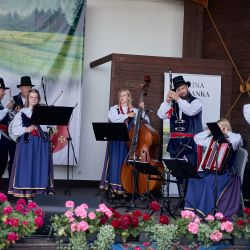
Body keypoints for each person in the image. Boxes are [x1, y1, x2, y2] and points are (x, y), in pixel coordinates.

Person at [184, 118, 243, 218]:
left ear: (225, 128)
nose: (217, 130)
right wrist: (209, 131)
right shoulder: (212, 140)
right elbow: (197, 138)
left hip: (226, 174)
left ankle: (204, 212)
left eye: (219, 128)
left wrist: (227, 132)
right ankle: (192, 210)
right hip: (211, 171)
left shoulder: (233, 140)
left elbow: (238, 139)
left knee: (209, 181)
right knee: (193, 178)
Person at [157, 75, 203, 196]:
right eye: (178, 90)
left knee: (190, 172)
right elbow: (161, 115)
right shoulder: (172, 104)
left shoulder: (196, 102)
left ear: (187, 87)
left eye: (183, 88)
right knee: (178, 173)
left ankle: (190, 201)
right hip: (175, 143)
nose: (181, 91)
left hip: (190, 143)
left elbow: (191, 111)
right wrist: (167, 100)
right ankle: (182, 201)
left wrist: (178, 99)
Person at [100, 88, 150, 195]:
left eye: (124, 95)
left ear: (128, 97)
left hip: (129, 142)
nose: (122, 98)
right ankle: (113, 189)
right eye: (120, 96)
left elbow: (146, 122)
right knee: (114, 163)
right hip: (116, 140)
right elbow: (113, 119)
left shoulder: (135, 111)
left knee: (125, 164)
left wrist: (142, 111)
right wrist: (127, 115)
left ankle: (125, 189)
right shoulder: (114, 109)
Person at [8, 89, 54, 199]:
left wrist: (47, 122)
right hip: (27, 144)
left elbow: (49, 128)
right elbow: (14, 130)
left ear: (38, 99)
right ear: (28, 99)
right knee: (27, 167)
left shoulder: (43, 112)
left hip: (41, 144)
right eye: (31, 97)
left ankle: (40, 194)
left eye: (36, 97)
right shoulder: (22, 112)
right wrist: (26, 129)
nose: (33, 99)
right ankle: (27, 195)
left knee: (40, 166)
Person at [8, 76, 35, 178]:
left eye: (29, 87)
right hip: (17, 134)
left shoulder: (33, 100)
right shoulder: (14, 99)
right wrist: (16, 112)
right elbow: (7, 115)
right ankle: (12, 183)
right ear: (20, 88)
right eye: (25, 87)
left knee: (28, 159)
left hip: (30, 134)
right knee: (14, 158)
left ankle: (25, 182)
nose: (27, 89)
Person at [0, 78, 14, 188]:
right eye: (2, 90)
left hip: (3, 140)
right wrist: (7, 108)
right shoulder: (3, 107)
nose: (4, 93)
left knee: (2, 164)